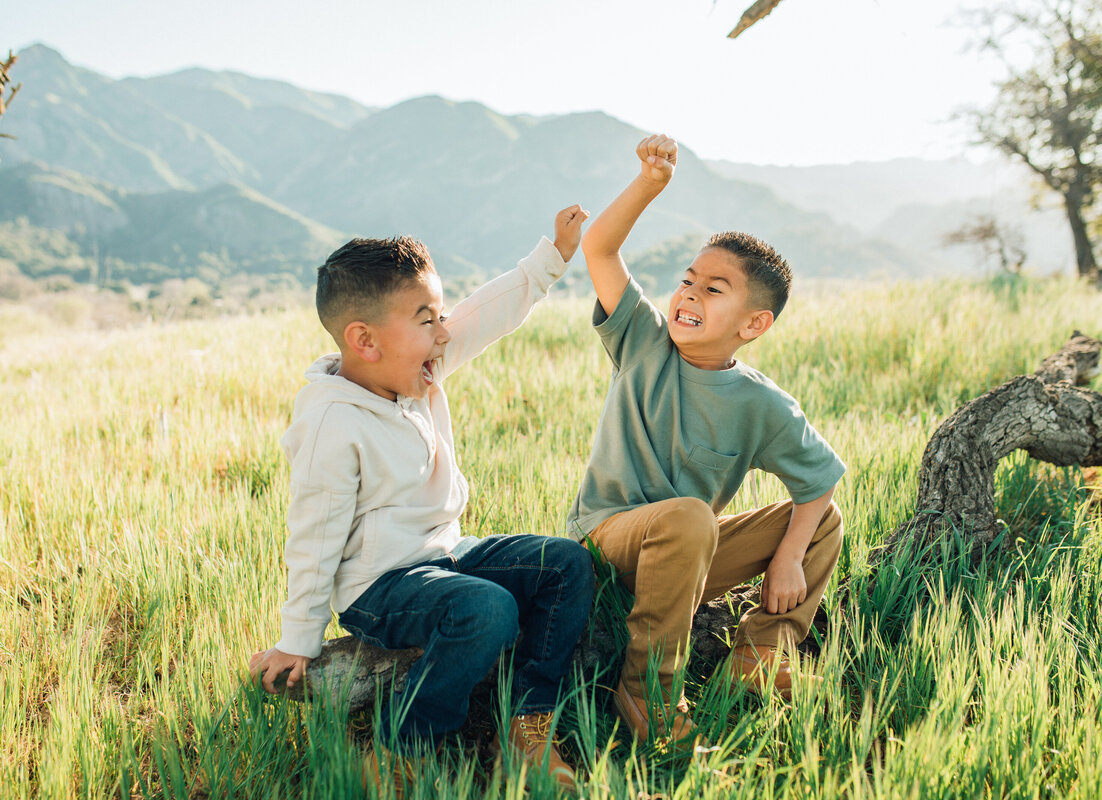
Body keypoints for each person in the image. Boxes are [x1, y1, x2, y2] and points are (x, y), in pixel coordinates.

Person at [250, 206, 596, 794]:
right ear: (364, 339)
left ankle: (525, 726)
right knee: (486, 610)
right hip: (379, 585)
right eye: (426, 319)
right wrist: (298, 638)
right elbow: (314, 532)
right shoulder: (333, 423)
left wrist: (551, 260)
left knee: (566, 565)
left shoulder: (419, 367)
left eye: (439, 316)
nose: (443, 333)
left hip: (446, 555)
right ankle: (400, 746)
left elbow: (482, 317)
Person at [567, 135, 845, 745]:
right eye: (689, 280)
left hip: (686, 556)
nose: (689, 292)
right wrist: (649, 184)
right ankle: (647, 689)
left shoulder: (763, 404)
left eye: (713, 289)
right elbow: (600, 247)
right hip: (608, 542)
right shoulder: (643, 342)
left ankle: (762, 654)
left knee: (822, 522)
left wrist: (790, 557)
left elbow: (819, 481)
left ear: (754, 324)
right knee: (692, 517)